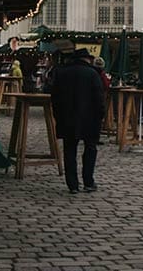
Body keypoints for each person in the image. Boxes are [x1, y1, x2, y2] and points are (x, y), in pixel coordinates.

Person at [49, 48, 104, 194]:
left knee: (69, 150)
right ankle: (88, 181)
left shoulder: (61, 73)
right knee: (90, 148)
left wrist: (57, 116)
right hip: (90, 118)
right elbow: (99, 98)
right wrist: (101, 116)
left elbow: (54, 97)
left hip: (67, 117)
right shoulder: (93, 74)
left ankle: (72, 184)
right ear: (88, 59)